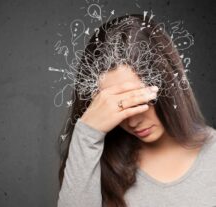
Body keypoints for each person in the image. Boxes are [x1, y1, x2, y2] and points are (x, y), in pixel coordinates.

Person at [56, 14, 216, 207]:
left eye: (140, 100)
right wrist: (87, 132)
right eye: (117, 106)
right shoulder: (97, 161)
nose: (132, 122)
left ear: (168, 84)